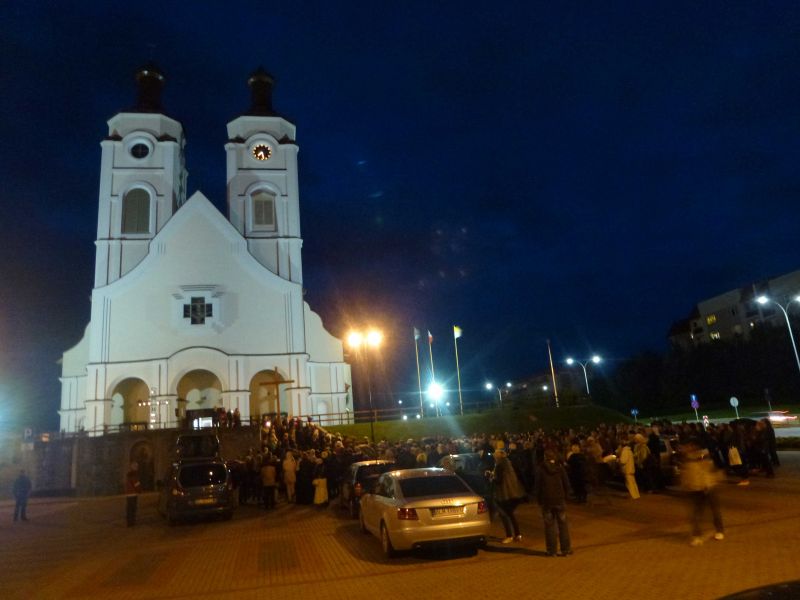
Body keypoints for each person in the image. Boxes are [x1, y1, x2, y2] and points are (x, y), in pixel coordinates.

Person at [680, 438, 724, 546]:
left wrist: (707, 485)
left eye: (687, 446)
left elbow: (707, 472)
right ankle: (696, 535)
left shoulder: (703, 456)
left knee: (714, 510)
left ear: (693, 446)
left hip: (708, 487)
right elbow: (686, 474)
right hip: (694, 489)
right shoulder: (686, 459)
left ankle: (719, 530)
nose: (684, 448)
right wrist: (686, 486)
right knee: (695, 513)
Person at [534, 449, 572, 557]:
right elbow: (566, 483)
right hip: (559, 499)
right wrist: (566, 496)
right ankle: (566, 550)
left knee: (549, 526)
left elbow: (537, 486)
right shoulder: (560, 468)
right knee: (563, 525)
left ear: (545, 457)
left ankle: (552, 551)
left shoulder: (540, 469)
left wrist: (539, 499)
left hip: (547, 501)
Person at [491, 448, 526, 543]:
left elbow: (499, 480)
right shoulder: (508, 463)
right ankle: (518, 535)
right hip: (513, 493)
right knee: (510, 513)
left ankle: (509, 536)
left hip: (504, 494)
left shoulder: (499, 465)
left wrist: (491, 477)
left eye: (495, 455)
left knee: (504, 514)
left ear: (498, 456)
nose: (494, 457)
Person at [617, 435, 640, 499]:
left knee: (630, 484)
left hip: (627, 470)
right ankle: (636, 495)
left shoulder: (625, 451)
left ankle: (634, 496)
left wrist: (618, 460)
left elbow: (623, 461)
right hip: (631, 469)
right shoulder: (630, 451)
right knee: (633, 483)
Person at [125, 462, 142, 526]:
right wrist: (139, 490)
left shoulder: (129, 475)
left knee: (129, 508)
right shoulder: (134, 475)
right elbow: (136, 483)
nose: (137, 468)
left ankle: (129, 521)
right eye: (136, 467)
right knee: (133, 508)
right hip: (133, 493)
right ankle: (132, 522)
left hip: (128, 493)